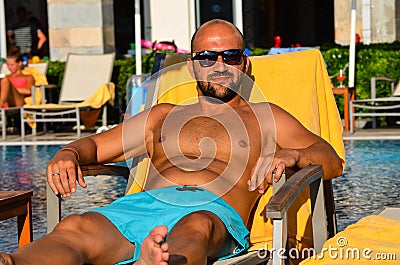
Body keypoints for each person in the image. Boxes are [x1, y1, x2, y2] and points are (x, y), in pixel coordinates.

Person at [0, 19, 343, 265]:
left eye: (231, 56)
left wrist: (293, 155)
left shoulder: (265, 115)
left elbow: (330, 159)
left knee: (195, 227)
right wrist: (67, 153)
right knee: (75, 226)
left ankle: (159, 261)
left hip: (211, 213)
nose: (219, 65)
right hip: (138, 210)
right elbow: (94, 146)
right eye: (207, 57)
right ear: (192, 67)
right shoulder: (161, 116)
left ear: (245, 63)